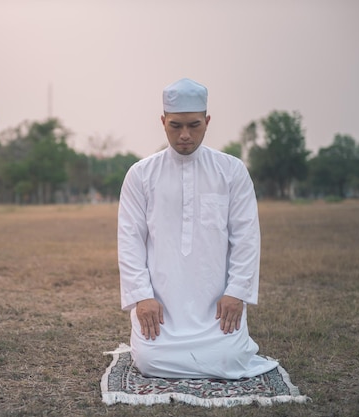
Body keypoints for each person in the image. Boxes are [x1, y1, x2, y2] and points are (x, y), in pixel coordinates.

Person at [117, 78, 278, 379]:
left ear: (207, 121)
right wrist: (142, 296)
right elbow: (130, 240)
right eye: (175, 126)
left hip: (215, 307)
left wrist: (236, 292)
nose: (185, 136)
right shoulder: (140, 175)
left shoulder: (231, 171)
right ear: (163, 121)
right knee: (151, 362)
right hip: (161, 305)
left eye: (194, 125)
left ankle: (220, 347)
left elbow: (246, 237)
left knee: (229, 357)